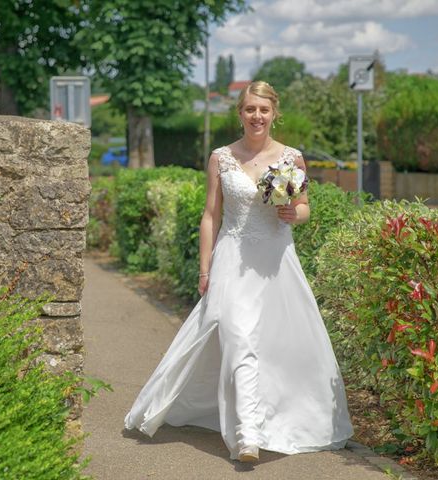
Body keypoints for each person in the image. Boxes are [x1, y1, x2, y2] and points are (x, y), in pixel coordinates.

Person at [123, 81, 353, 462]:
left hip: (276, 262)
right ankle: (248, 435)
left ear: (274, 113)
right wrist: (204, 268)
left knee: (278, 347)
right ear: (240, 114)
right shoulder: (221, 157)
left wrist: (294, 213)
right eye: (249, 110)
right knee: (239, 337)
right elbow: (210, 215)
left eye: (263, 110)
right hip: (232, 259)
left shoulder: (292, 159)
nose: (256, 117)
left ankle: (277, 418)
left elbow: (305, 206)